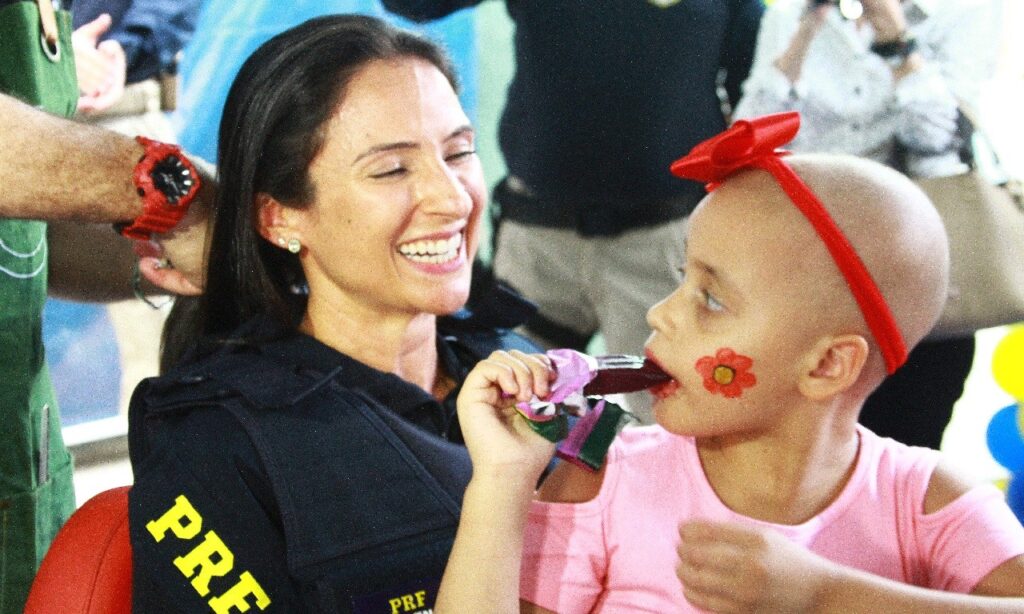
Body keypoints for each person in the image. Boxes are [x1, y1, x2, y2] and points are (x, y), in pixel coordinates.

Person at [442, 114, 1024, 612]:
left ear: (826, 366)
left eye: (712, 300)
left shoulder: (924, 501)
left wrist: (826, 595)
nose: (661, 314)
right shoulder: (601, 473)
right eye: (681, 279)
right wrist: (505, 481)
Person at [125, 15, 539, 611]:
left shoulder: (525, 371)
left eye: (459, 152)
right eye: (391, 169)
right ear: (279, 217)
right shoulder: (217, 444)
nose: (453, 198)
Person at [383, 0, 765, 423]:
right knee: (507, 414)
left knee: (675, 424)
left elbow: (756, 84)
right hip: (537, 236)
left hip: (662, 242)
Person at [731, 0, 1003, 449]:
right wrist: (803, 35)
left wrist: (897, 41)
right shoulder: (788, 15)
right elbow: (750, 135)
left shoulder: (964, 12)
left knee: (905, 446)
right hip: (809, 262)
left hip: (914, 269)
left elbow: (941, 140)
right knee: (796, 445)